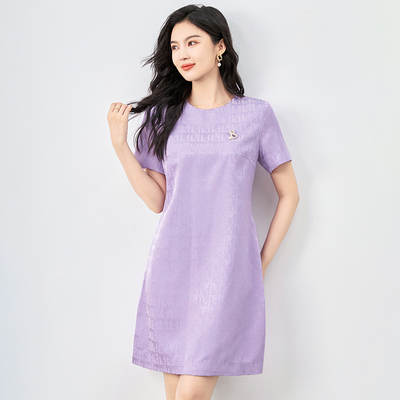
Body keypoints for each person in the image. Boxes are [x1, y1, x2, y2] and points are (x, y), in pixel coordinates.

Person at [107, 4, 299, 400]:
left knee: (190, 395)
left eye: (192, 42)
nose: (182, 54)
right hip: (171, 271)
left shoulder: (255, 116)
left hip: (227, 273)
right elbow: (157, 201)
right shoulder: (162, 118)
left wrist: (258, 263)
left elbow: (290, 194)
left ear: (220, 46)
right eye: (175, 46)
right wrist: (121, 147)